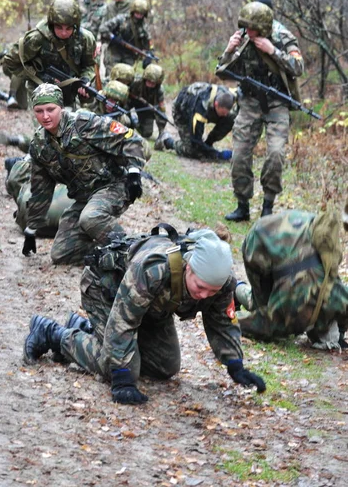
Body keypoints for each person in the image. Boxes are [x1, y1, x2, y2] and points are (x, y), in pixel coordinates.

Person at [23, 225, 266, 404]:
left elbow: (222, 321)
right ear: (188, 266)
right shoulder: (154, 269)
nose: (204, 295)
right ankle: (52, 334)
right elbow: (124, 319)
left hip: (149, 308)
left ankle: (89, 331)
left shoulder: (221, 283)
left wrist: (235, 364)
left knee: (165, 366)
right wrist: (120, 375)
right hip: (105, 290)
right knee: (120, 368)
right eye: (200, 287)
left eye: (210, 291)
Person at [22, 83, 146, 265]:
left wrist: (134, 174)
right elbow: (41, 190)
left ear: (61, 108)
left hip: (113, 185)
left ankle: (131, 254)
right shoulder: (39, 146)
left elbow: (129, 138)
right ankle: (105, 255)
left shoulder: (83, 123)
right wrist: (31, 229)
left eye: (50, 109)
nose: (45, 116)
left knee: (91, 217)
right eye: (39, 111)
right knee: (62, 254)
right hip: (85, 198)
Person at [217, 1, 304, 221]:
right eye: (247, 27)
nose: (250, 31)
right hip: (249, 102)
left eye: (254, 28)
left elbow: (298, 67)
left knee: (275, 154)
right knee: (239, 155)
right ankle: (242, 205)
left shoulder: (283, 37)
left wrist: (273, 51)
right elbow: (222, 73)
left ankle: (268, 206)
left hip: (277, 102)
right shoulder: (243, 36)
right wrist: (229, 50)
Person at [235, 208, 348, 349]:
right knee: (262, 312)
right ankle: (236, 289)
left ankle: (237, 289)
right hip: (258, 242)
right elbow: (262, 324)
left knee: (270, 303)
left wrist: (341, 334)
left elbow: (343, 312)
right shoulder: (292, 316)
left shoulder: (337, 290)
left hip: (297, 224)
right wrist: (228, 320)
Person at [2, 0, 96, 109]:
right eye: (59, 27)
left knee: (70, 124)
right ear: (51, 25)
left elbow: (89, 65)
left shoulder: (85, 39)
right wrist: (36, 76)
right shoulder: (36, 38)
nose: (64, 33)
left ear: (76, 25)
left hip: (69, 92)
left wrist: (85, 80)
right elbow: (10, 61)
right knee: (47, 124)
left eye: (69, 28)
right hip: (40, 92)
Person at [156, 83, 235, 160]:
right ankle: (166, 140)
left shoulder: (230, 96)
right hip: (182, 111)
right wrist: (217, 154)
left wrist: (207, 147)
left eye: (226, 112)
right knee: (192, 150)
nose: (225, 115)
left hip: (207, 111)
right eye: (223, 113)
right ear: (216, 104)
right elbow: (196, 141)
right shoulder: (200, 107)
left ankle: (208, 143)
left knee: (230, 119)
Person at [99, 0, 152, 75]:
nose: (139, 16)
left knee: (127, 78)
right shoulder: (122, 19)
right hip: (114, 52)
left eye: (141, 14)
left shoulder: (144, 27)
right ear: (133, 12)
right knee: (112, 76)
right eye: (137, 13)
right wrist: (113, 38)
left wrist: (148, 56)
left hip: (129, 56)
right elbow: (103, 28)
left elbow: (148, 44)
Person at [127, 63, 167, 139]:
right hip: (131, 102)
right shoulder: (135, 82)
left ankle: (134, 121)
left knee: (147, 133)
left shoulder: (159, 91)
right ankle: (129, 122)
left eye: (153, 83)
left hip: (146, 108)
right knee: (125, 118)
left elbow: (161, 109)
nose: (151, 84)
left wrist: (161, 131)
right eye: (149, 81)